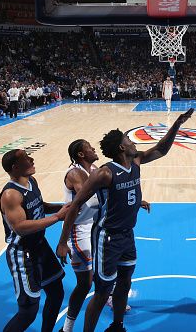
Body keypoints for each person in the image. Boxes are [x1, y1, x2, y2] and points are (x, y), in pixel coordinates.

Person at [57, 108, 194, 332]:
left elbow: (161, 149)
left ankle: (117, 325)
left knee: (124, 284)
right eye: (128, 140)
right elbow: (76, 205)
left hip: (127, 235)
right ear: (122, 148)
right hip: (107, 238)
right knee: (102, 292)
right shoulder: (104, 173)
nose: (132, 142)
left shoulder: (137, 162)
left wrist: (177, 123)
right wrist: (63, 242)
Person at [59, 139, 130, 332]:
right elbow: (91, 198)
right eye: (89, 148)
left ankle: (107, 294)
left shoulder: (94, 169)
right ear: (81, 154)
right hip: (79, 229)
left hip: (95, 226)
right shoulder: (75, 173)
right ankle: (67, 328)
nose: (94, 149)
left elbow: (109, 195)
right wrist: (63, 241)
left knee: (107, 268)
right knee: (84, 284)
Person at [0, 149, 70, 332]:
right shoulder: (10, 194)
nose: (31, 159)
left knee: (56, 294)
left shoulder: (31, 182)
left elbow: (41, 205)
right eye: (26, 158)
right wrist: (57, 217)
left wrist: (62, 208)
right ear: (15, 167)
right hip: (23, 253)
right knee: (28, 311)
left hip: (40, 246)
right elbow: (20, 226)